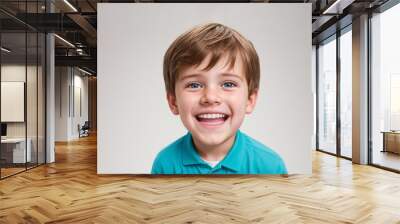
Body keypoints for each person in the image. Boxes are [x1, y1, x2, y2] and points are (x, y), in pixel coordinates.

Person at [151, 23, 287, 174]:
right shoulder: (165, 164)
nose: (210, 97)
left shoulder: (270, 166)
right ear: (173, 101)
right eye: (194, 85)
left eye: (228, 84)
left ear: (250, 100)